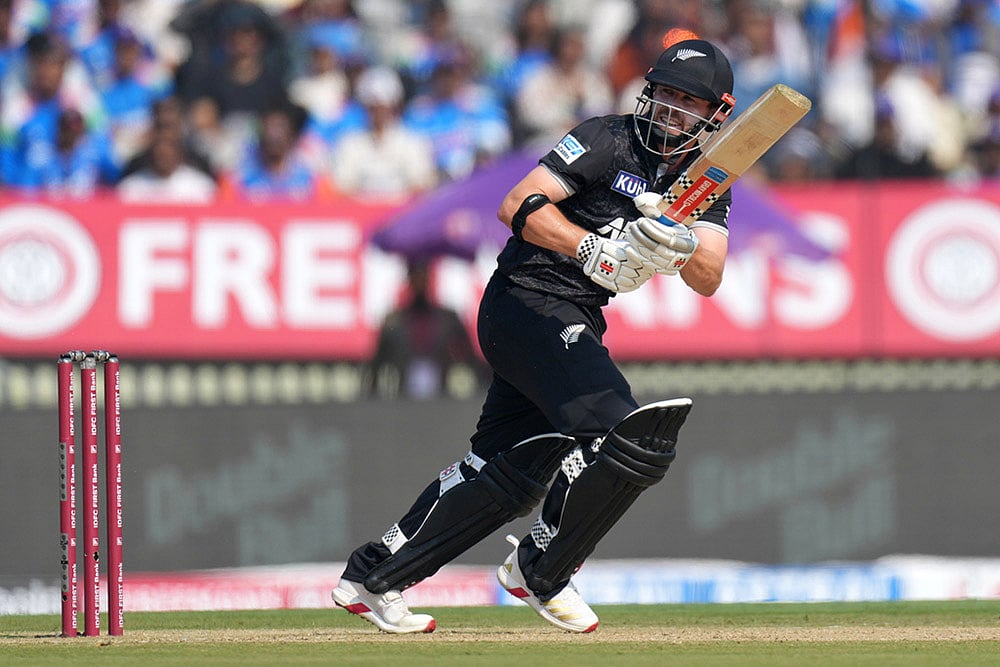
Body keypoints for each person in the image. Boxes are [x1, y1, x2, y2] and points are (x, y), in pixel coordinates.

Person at [332, 35, 736, 634]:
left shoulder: (707, 180)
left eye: (687, 101)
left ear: (715, 114)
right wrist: (590, 247)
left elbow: (709, 276)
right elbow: (519, 202)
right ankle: (540, 568)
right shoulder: (607, 137)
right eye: (665, 93)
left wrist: (678, 244)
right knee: (628, 437)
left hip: (574, 317)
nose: (670, 109)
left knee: (506, 471)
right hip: (527, 301)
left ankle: (374, 576)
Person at [366, 258, 479, 399]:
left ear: (429, 279)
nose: (420, 282)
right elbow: (377, 365)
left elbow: (471, 359)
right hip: (403, 399)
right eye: (415, 277)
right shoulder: (393, 321)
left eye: (423, 276)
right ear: (409, 280)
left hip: (442, 398)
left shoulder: (448, 318)